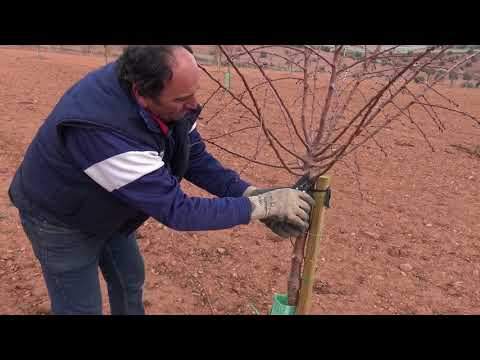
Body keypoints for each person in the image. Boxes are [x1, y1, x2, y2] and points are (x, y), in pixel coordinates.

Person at [8, 45, 315, 315]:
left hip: (111, 204)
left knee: (129, 279)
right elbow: (178, 210)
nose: (194, 104)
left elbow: (194, 157)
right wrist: (258, 207)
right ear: (142, 95)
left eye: (195, 91)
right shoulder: (103, 132)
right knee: (81, 307)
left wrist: (249, 192)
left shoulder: (165, 97)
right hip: (60, 219)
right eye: (183, 98)